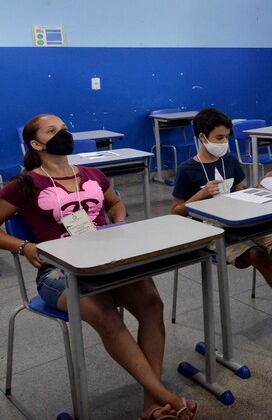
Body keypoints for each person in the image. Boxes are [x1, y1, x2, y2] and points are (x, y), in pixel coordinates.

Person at [0, 114, 199, 420]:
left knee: (151, 303)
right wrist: (24, 246)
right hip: (58, 272)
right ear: (36, 144)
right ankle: (166, 397)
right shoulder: (24, 184)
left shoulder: (92, 174)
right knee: (105, 314)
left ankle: (152, 404)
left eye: (64, 128)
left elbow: (115, 204)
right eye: (52, 131)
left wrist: (118, 223)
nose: (63, 134)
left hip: (108, 261)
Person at [171, 107, 272, 346]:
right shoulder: (187, 170)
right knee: (258, 257)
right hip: (214, 232)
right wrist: (200, 195)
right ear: (203, 137)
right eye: (219, 138)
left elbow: (242, 195)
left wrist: (265, 185)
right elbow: (176, 211)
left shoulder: (230, 160)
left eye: (226, 137)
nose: (224, 143)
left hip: (244, 223)